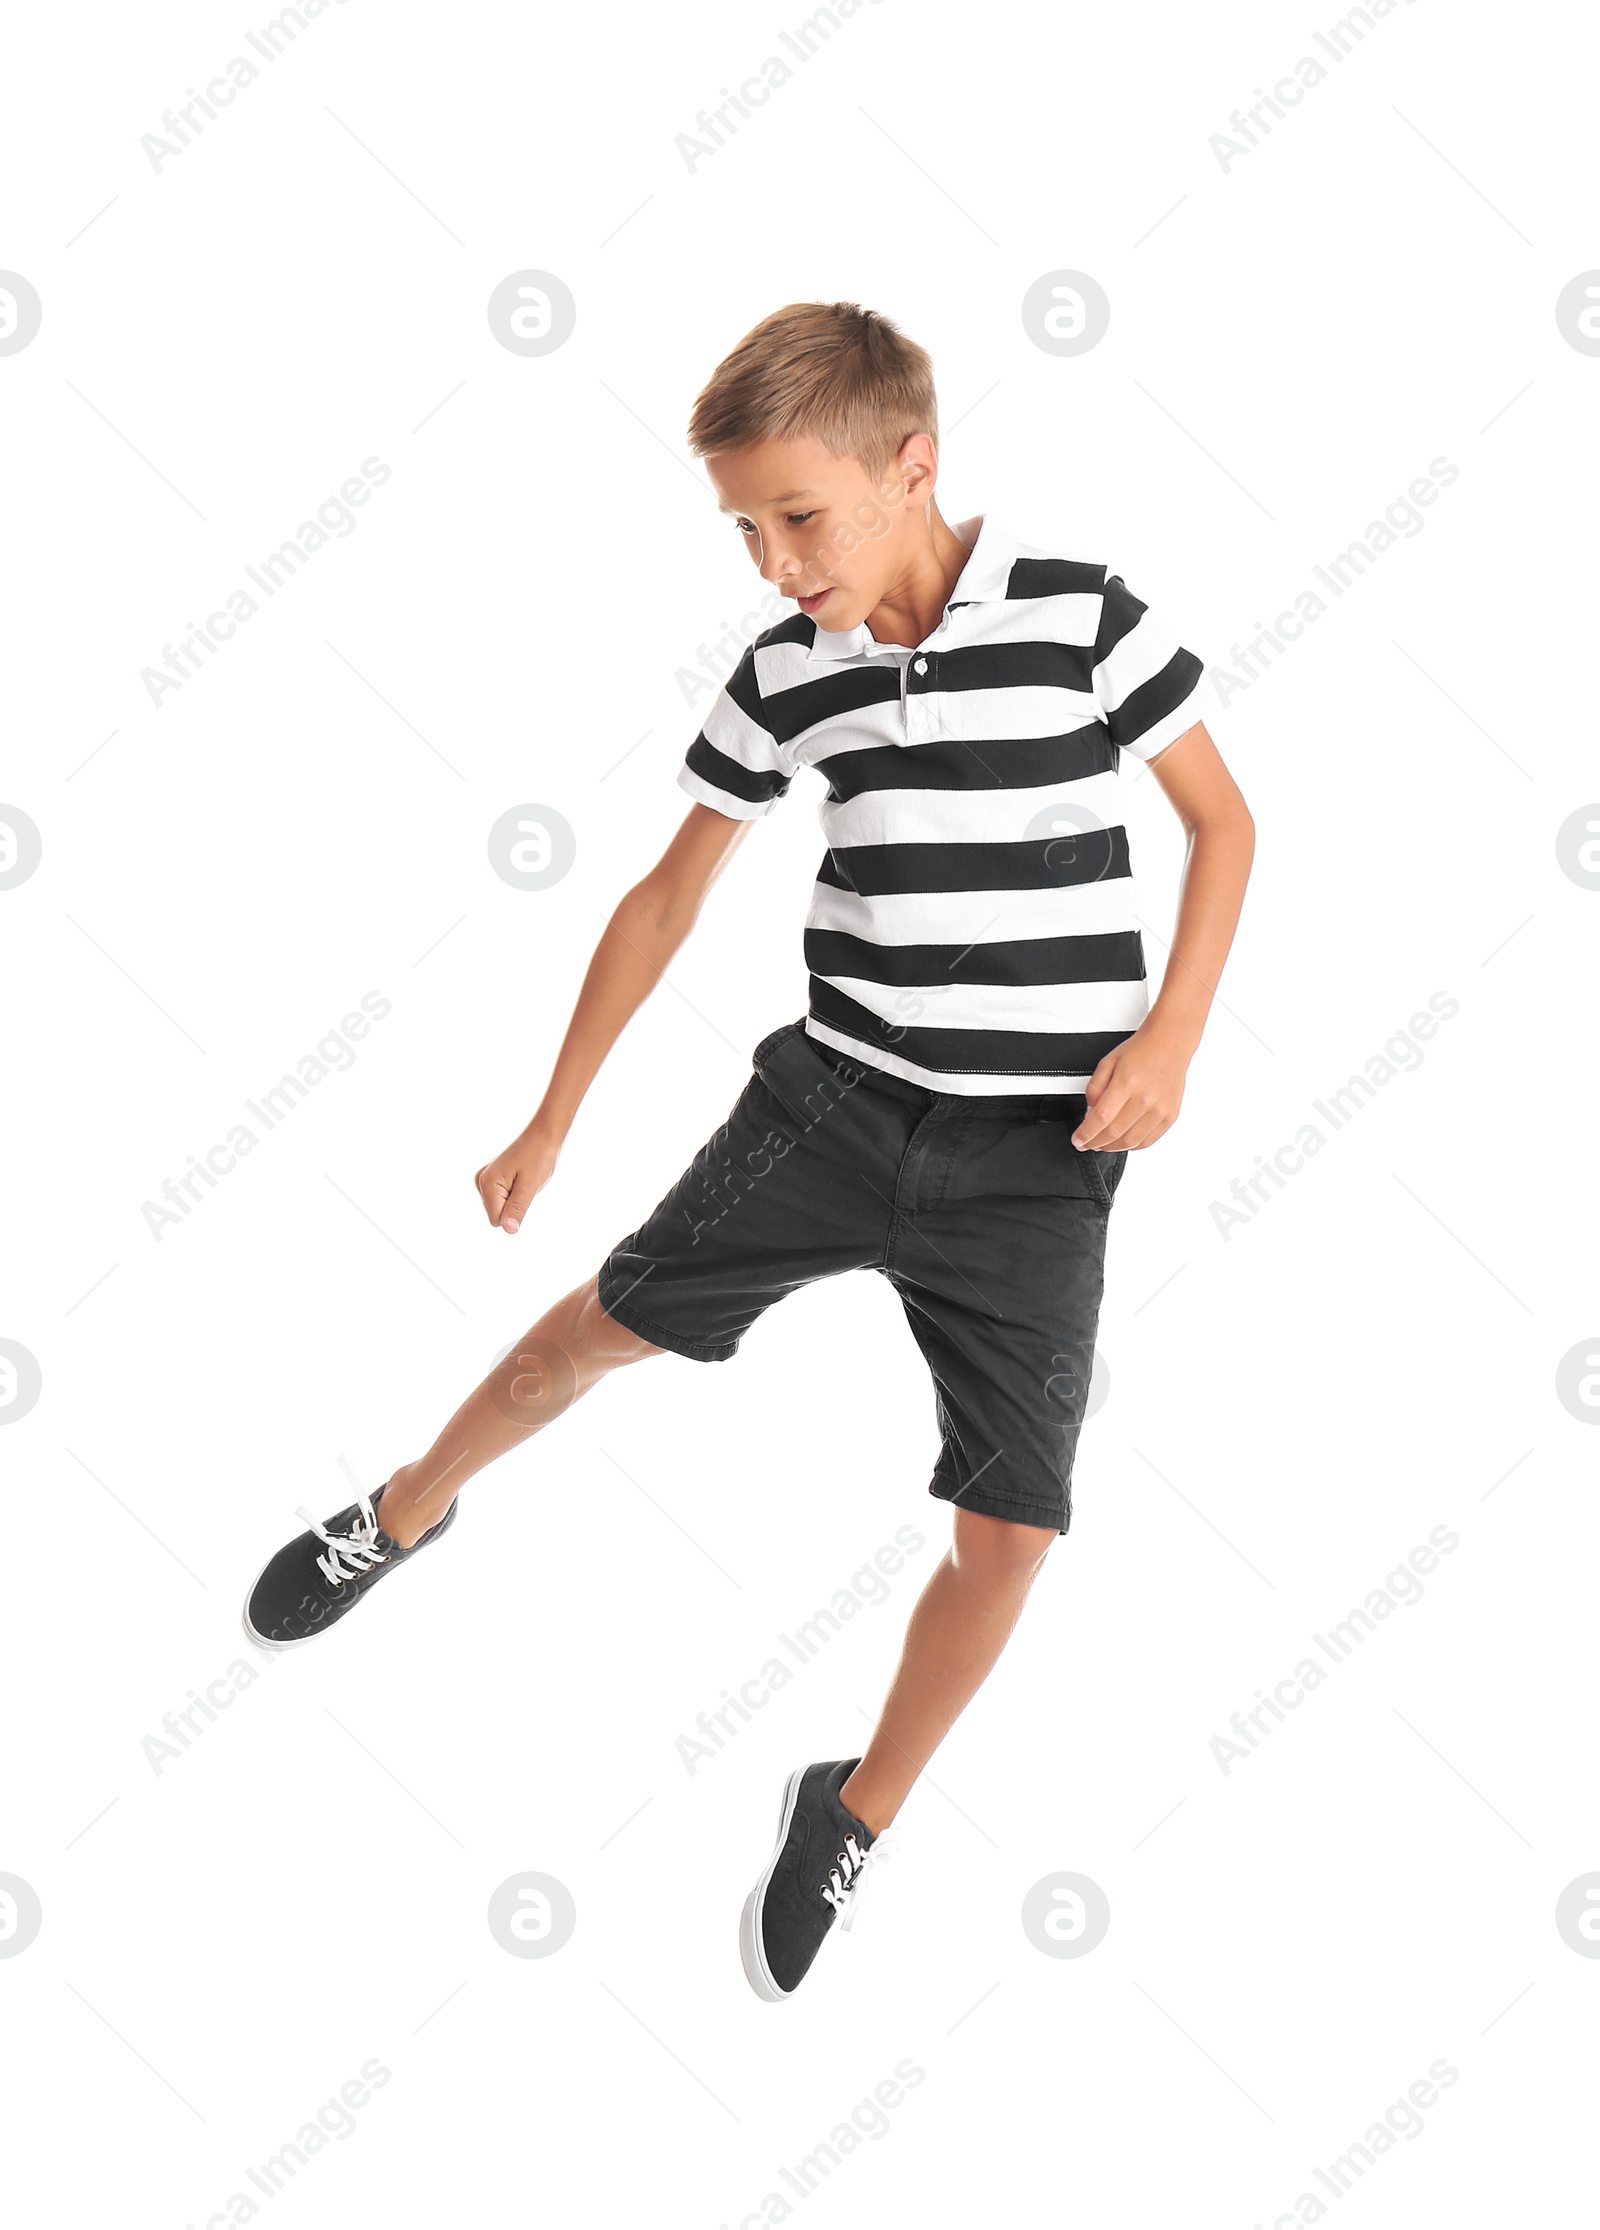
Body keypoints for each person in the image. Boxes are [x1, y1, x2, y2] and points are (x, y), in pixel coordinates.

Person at [244, 300, 1255, 2002]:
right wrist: (553, 1110)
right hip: (831, 1106)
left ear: (911, 467)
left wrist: (1173, 1037)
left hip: (1038, 1155)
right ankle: (403, 1511)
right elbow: (669, 889)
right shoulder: (789, 665)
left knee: (1011, 1530)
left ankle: (851, 1809)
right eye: (746, 528)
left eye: (802, 517)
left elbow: (1225, 821)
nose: (776, 561)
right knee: (596, 1327)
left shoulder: (1082, 617)